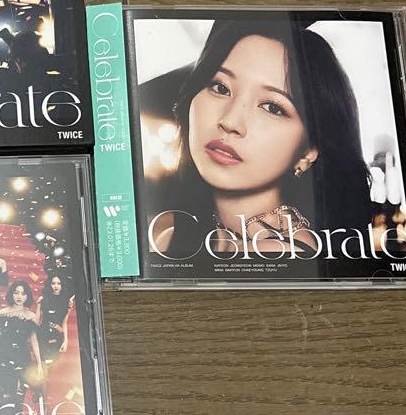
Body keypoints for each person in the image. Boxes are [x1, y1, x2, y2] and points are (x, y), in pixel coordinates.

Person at [150, 18, 372, 259]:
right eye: (221, 88)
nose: (230, 122)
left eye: (272, 107)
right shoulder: (175, 233)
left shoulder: (278, 253)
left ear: (307, 152)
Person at [0, 281, 43, 402]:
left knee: (20, 391)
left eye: (23, 293)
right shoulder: (2, 313)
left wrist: (39, 363)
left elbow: (34, 340)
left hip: (22, 356)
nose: (19, 296)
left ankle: (18, 412)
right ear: (11, 294)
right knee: (6, 391)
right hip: (5, 356)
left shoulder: (30, 316)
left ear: (27, 296)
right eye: (16, 293)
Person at [36, 274, 74, 368]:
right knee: (44, 363)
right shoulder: (44, 299)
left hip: (57, 335)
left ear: (62, 285)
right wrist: (38, 305)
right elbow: (37, 321)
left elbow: (64, 322)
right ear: (49, 284)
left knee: (53, 364)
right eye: (53, 283)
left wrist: (65, 340)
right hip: (43, 334)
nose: (56, 286)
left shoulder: (66, 302)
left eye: (58, 283)